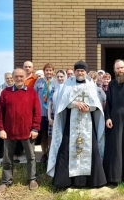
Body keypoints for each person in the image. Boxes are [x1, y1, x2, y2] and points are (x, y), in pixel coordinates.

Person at [47, 60, 106, 188]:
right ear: (74, 72)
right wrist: (75, 104)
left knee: (91, 150)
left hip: (87, 123)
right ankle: (65, 181)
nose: (80, 72)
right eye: (78, 70)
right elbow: (62, 104)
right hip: (72, 123)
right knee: (67, 149)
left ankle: (92, 181)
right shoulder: (68, 85)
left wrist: (88, 107)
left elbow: (97, 105)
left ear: (86, 72)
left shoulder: (91, 85)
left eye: (82, 71)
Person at [0, 68, 41, 194]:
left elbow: (37, 111)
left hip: (27, 131)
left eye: (21, 76)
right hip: (9, 132)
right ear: (13, 77)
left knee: (31, 157)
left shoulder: (32, 92)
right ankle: (6, 181)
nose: (19, 79)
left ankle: (32, 179)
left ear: (25, 77)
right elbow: (0, 113)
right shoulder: (5, 92)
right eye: (16, 76)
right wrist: (1, 129)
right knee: (7, 158)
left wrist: (35, 128)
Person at [34, 63, 56, 163]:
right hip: (41, 112)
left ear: (53, 72)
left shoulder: (56, 82)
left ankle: (51, 153)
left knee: (51, 134)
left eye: (50, 70)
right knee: (43, 134)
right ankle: (44, 153)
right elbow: (34, 96)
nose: (49, 72)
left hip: (52, 113)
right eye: (47, 70)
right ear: (44, 71)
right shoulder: (38, 82)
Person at [0, 72, 14, 161]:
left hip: (12, 117)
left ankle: (13, 154)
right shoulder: (0, 88)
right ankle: (2, 153)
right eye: (7, 78)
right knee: (2, 136)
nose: (9, 79)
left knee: (13, 136)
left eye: (10, 78)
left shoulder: (16, 87)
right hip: (2, 116)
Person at [48, 70, 67, 149]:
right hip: (54, 114)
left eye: (61, 76)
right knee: (52, 136)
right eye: (58, 77)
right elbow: (50, 104)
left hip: (63, 114)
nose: (59, 78)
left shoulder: (67, 89)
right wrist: (49, 118)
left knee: (63, 135)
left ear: (65, 77)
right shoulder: (54, 88)